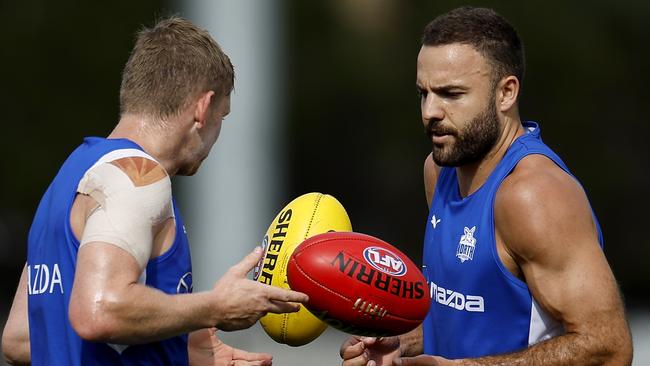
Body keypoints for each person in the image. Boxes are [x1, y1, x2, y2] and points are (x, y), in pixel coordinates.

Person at [1, 16, 308, 366]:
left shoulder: (70, 179)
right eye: (223, 115)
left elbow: (20, 338)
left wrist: (178, 350)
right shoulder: (140, 177)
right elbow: (97, 311)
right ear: (202, 108)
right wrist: (216, 306)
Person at [340, 6, 632, 366]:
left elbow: (608, 348)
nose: (430, 111)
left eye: (450, 93)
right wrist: (397, 345)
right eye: (423, 93)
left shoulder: (533, 195)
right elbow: (468, 312)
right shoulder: (439, 172)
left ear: (506, 93)